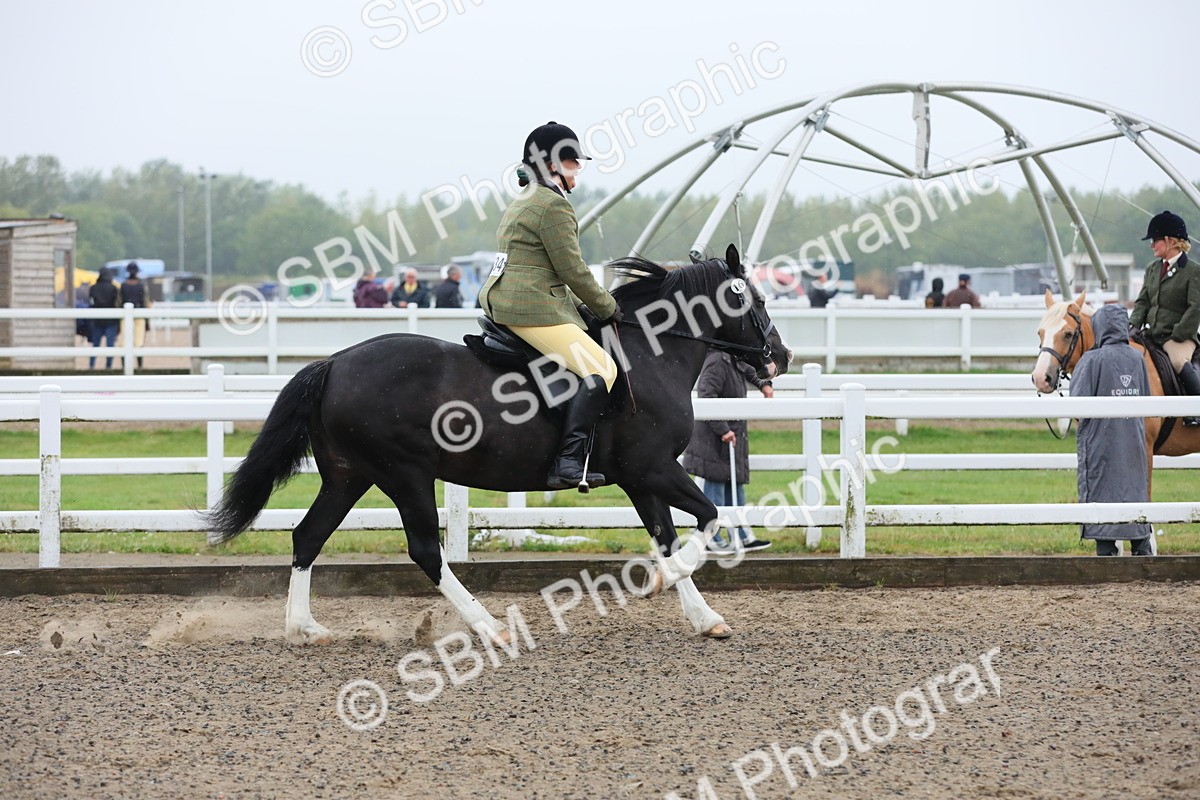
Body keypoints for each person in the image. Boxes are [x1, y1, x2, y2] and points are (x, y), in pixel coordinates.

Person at [478, 121, 621, 490]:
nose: (578, 171)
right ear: (554, 164)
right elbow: (572, 270)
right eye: (574, 163)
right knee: (602, 368)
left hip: (509, 297)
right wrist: (607, 307)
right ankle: (568, 463)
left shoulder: (526, 199)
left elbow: (544, 269)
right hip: (529, 308)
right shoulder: (552, 205)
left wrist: (583, 308)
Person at [1073, 303, 1153, 556]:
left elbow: (1077, 405)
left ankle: (1106, 550)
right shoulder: (1138, 358)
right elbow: (1148, 399)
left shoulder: (1091, 360)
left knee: (1101, 492)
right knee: (1135, 490)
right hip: (1133, 443)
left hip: (1101, 444)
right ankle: (1141, 548)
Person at [683, 350, 774, 552]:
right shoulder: (717, 361)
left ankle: (740, 534)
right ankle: (711, 538)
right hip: (714, 439)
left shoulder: (732, 357)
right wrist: (723, 429)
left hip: (728, 436)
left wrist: (764, 383)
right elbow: (706, 395)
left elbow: (748, 369)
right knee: (715, 487)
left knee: (735, 485)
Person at [1129, 210, 1200, 426]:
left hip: (1178, 337)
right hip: (1152, 334)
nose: (1151, 245)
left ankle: (1195, 408)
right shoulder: (1152, 269)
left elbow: (1196, 307)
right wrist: (1133, 325)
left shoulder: (1192, 270)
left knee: (1178, 361)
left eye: (1155, 240)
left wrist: (1178, 333)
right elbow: (1142, 301)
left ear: (1170, 241)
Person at [88, 267, 121, 369]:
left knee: (95, 344)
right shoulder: (113, 288)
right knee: (110, 344)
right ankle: (108, 365)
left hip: (97, 320)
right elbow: (117, 304)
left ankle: (92, 364)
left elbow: (91, 303)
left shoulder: (93, 288)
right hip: (111, 321)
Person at [119, 261, 150, 368]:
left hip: (125, 315)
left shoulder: (123, 285)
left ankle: (124, 365)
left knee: (124, 340)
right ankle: (140, 365)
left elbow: (119, 301)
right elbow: (145, 301)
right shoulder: (141, 286)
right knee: (139, 341)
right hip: (139, 315)